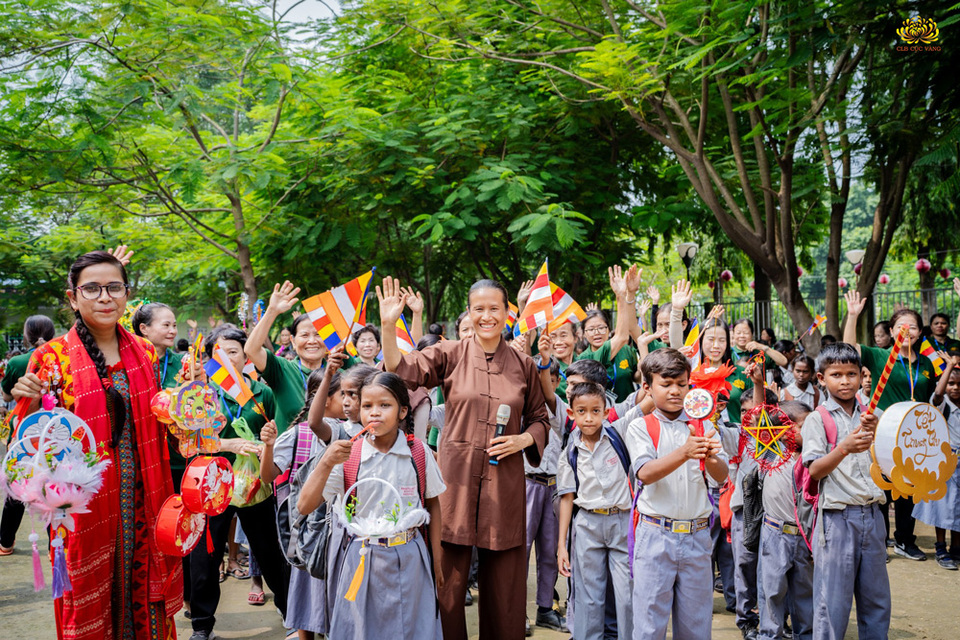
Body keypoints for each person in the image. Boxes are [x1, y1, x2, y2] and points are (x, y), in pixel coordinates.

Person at [10, 249, 182, 639]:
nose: (104, 297)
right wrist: (31, 403)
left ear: (126, 295)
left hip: (144, 504)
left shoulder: (145, 353)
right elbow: (31, 448)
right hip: (84, 515)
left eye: (114, 287)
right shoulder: (51, 359)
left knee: (148, 616)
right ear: (72, 297)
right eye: (92, 288)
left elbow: (159, 422)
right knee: (90, 609)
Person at [379, 275, 551, 640]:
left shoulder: (524, 364)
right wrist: (388, 324)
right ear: (469, 313)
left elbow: (540, 418)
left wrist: (523, 439)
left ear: (508, 312)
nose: (486, 316)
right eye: (478, 309)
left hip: (503, 484)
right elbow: (401, 370)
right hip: (454, 484)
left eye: (494, 308)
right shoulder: (450, 353)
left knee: (505, 589)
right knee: (449, 586)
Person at [297, 372, 445, 640]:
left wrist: (436, 561)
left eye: (384, 405)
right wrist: (326, 462)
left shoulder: (419, 453)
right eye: (367, 406)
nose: (374, 413)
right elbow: (305, 505)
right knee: (363, 629)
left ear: (402, 412)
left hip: (411, 557)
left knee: (413, 627)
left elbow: (433, 505)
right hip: (361, 559)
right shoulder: (347, 456)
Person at [188, 326, 288, 640]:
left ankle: (291, 611)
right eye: (220, 352)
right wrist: (227, 445)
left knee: (270, 552)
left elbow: (278, 434)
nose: (228, 357)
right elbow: (189, 441)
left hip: (255, 485)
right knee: (205, 558)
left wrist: (265, 446)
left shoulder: (263, 393)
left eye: (234, 351)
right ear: (209, 358)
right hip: (210, 486)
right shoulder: (200, 394)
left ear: (245, 355)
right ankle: (202, 626)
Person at [626, 348, 728, 640]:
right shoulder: (641, 426)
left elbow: (721, 477)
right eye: (666, 384)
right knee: (648, 626)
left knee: (696, 626)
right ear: (647, 387)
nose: (675, 391)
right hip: (656, 534)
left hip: (697, 536)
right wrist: (685, 451)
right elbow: (644, 473)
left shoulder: (704, 424)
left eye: (681, 384)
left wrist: (709, 458)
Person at [801, 342, 889, 640]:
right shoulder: (818, 419)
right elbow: (814, 470)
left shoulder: (873, 415)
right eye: (836, 374)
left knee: (876, 599)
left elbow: (888, 463)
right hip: (837, 520)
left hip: (873, 516)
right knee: (832, 602)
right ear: (821, 379)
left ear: (861, 375)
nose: (845, 381)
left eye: (851, 374)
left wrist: (878, 433)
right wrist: (843, 448)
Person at [844, 292, 935, 561]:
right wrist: (852, 315)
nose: (907, 330)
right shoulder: (881, 356)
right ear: (893, 331)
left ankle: (905, 540)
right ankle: (880, 542)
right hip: (883, 432)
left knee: (910, 487)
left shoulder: (927, 364)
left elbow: (930, 397)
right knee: (883, 487)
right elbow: (849, 349)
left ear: (919, 332)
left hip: (915, 435)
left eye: (913, 326)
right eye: (901, 326)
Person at [556, 382, 634, 640]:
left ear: (605, 411)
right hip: (587, 525)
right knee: (589, 598)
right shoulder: (569, 450)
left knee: (626, 596)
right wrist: (561, 545)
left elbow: (645, 399)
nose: (589, 418)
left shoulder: (619, 434)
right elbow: (566, 498)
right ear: (571, 413)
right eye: (582, 411)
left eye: (595, 411)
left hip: (621, 522)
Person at [757, 400, 814, 640]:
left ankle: (806, 634)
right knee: (772, 591)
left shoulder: (815, 458)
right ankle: (770, 635)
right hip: (775, 533)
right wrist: (759, 383)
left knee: (805, 593)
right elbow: (762, 426)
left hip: (805, 536)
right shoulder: (771, 453)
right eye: (804, 426)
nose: (811, 432)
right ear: (784, 429)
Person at [0, 314, 55, 557]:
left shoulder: (18, 361)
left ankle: (5, 543)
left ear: (26, 335)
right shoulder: (60, 359)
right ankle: (55, 545)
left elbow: (8, 397)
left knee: (17, 488)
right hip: (55, 431)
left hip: (23, 433)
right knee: (55, 487)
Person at [246, 281, 327, 433]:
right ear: (293, 341)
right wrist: (272, 311)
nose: (312, 341)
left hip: (330, 454)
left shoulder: (337, 373)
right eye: (304, 335)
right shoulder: (282, 369)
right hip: (288, 455)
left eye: (318, 335)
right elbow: (251, 350)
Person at [912, 355, 960, 570]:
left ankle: (956, 548)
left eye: (959, 384)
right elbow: (938, 394)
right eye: (951, 383)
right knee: (943, 506)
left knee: (958, 508)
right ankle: (941, 547)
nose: (955, 388)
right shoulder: (942, 404)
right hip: (945, 462)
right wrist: (949, 366)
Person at [575, 268, 641, 403]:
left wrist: (642, 369)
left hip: (627, 412)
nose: (597, 332)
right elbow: (622, 336)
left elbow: (636, 377)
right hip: (600, 414)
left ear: (608, 328)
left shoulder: (626, 350)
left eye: (601, 328)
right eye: (591, 329)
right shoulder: (585, 358)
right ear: (584, 334)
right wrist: (621, 296)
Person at [132, 302, 182, 388]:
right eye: (166, 325)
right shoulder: (130, 363)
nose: (173, 331)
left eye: (174, 325)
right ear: (144, 329)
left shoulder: (183, 363)